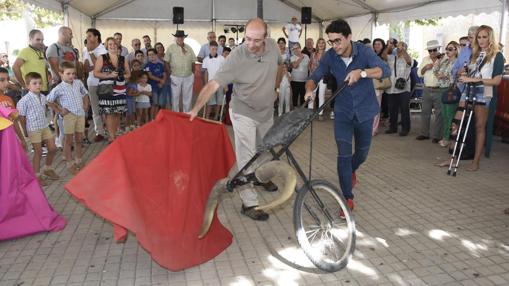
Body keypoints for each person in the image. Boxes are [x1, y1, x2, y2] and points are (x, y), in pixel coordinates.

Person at [189, 18, 283, 221]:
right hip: (243, 113)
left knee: (267, 151)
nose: (251, 44)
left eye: (256, 40)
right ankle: (249, 203)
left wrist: (276, 88)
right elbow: (213, 84)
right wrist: (196, 108)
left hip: (266, 111)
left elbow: (280, 66)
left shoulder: (274, 47)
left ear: (265, 38)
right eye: (247, 39)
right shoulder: (237, 56)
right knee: (247, 157)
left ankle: (261, 178)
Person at [304, 19, 390, 216]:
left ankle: (350, 171)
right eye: (331, 41)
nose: (335, 46)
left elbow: (385, 71)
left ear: (349, 37)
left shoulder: (364, 52)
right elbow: (314, 76)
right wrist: (309, 89)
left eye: (338, 41)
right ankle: (347, 198)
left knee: (361, 154)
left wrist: (362, 72)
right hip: (342, 113)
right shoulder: (330, 56)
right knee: (343, 155)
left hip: (365, 112)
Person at [456, 25, 504, 171]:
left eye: (485, 36)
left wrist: (473, 80)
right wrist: (462, 73)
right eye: (479, 37)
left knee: (479, 126)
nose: (482, 40)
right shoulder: (474, 54)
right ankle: (453, 156)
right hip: (468, 91)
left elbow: (496, 81)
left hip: (484, 92)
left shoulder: (497, 55)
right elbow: (468, 74)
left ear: (490, 37)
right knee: (458, 122)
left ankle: (476, 161)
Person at [17, 72, 60, 186]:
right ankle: (36, 175)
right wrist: (25, 131)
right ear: (28, 86)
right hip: (33, 129)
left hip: (44, 126)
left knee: (52, 148)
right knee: (38, 151)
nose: (38, 85)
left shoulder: (42, 97)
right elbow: (21, 117)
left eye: (40, 83)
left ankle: (47, 168)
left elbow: (50, 104)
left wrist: (57, 109)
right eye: (34, 83)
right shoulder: (24, 101)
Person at [47, 62, 89, 175]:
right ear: (61, 74)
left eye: (73, 73)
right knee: (68, 140)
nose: (71, 76)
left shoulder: (78, 83)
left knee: (79, 138)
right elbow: (48, 100)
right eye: (68, 73)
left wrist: (86, 104)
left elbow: (85, 93)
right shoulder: (59, 88)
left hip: (80, 114)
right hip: (68, 116)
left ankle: (79, 159)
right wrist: (59, 110)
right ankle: (70, 163)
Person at [93, 37, 130, 143]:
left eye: (114, 44)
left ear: (117, 45)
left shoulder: (123, 59)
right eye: (110, 44)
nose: (112, 46)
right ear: (106, 46)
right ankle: (111, 136)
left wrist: (122, 75)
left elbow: (129, 74)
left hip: (120, 89)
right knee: (109, 113)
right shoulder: (102, 58)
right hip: (106, 89)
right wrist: (109, 75)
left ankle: (114, 133)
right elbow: (96, 73)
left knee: (118, 112)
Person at [416, 40, 443, 143]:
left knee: (439, 113)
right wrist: (425, 68)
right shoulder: (425, 59)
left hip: (439, 89)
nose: (432, 52)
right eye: (430, 50)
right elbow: (419, 74)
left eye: (434, 50)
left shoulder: (443, 59)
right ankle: (424, 133)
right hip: (427, 88)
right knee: (425, 112)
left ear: (438, 49)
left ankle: (437, 135)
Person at [83, 28, 107, 142]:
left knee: (106, 107)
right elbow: (86, 67)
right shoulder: (85, 49)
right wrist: (94, 64)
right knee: (95, 109)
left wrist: (91, 53)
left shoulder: (103, 49)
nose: (87, 39)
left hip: (103, 82)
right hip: (92, 82)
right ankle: (99, 132)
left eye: (90, 36)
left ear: (96, 37)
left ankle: (109, 129)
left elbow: (101, 66)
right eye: (87, 36)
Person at [434, 41, 459, 147]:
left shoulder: (457, 62)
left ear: (456, 50)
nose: (447, 51)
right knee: (444, 115)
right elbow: (436, 72)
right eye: (447, 49)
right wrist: (438, 62)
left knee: (450, 115)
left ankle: (448, 138)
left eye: (450, 49)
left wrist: (445, 76)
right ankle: (446, 137)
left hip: (450, 90)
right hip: (441, 89)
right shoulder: (445, 61)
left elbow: (455, 77)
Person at [384, 41, 412, 136]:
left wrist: (403, 49)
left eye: (402, 46)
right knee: (392, 109)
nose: (399, 48)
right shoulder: (391, 57)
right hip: (391, 87)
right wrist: (389, 46)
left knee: (404, 109)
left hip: (404, 88)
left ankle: (405, 129)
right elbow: (383, 57)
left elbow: (409, 62)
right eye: (398, 46)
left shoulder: (408, 57)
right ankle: (393, 127)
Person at [164, 30, 196, 112]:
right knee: (175, 97)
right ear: (176, 38)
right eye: (178, 37)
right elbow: (166, 61)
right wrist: (170, 74)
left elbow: (193, 61)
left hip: (188, 75)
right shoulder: (171, 48)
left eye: (181, 37)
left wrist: (192, 73)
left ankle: (187, 114)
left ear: (184, 38)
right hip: (175, 76)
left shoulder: (189, 48)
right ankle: (175, 114)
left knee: (188, 97)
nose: (180, 38)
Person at [12, 30, 49, 95]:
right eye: (38, 39)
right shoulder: (25, 51)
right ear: (30, 39)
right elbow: (15, 67)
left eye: (42, 40)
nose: (41, 42)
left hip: (43, 89)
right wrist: (24, 85)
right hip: (31, 90)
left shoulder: (40, 52)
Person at [202, 41, 225, 120]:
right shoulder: (206, 59)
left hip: (220, 83)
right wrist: (206, 85)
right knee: (210, 102)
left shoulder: (222, 58)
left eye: (215, 49)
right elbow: (206, 73)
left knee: (219, 101)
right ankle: (207, 117)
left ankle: (216, 117)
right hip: (210, 84)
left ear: (217, 49)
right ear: (209, 48)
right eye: (212, 49)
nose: (214, 50)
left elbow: (224, 72)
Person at [307, 38, 327, 119]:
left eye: (323, 43)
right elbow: (310, 64)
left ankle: (320, 113)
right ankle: (309, 113)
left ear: (324, 44)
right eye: (319, 43)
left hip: (323, 78)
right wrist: (312, 73)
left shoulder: (327, 54)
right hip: (314, 77)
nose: (321, 44)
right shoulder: (313, 54)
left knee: (321, 95)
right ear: (317, 44)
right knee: (311, 94)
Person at [144, 48, 166, 119]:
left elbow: (164, 74)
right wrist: (160, 80)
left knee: (158, 104)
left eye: (153, 54)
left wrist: (162, 82)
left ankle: (156, 119)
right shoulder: (147, 65)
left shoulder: (161, 64)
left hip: (160, 87)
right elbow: (150, 76)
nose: (151, 56)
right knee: (154, 104)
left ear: (156, 55)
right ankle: (152, 119)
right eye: (149, 55)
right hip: (153, 87)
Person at [371, 38, 387, 135]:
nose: (376, 46)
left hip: (377, 85)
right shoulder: (372, 55)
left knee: (376, 108)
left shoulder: (384, 57)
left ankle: (374, 129)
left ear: (382, 45)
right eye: (375, 44)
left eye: (379, 44)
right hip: (369, 85)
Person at [290, 43, 310, 108]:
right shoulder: (292, 57)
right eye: (294, 49)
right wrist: (300, 58)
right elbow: (295, 66)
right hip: (295, 80)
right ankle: (295, 109)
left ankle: (303, 109)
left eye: (297, 48)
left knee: (303, 96)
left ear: (300, 48)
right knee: (295, 95)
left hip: (304, 80)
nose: (295, 50)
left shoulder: (306, 56)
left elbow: (309, 66)